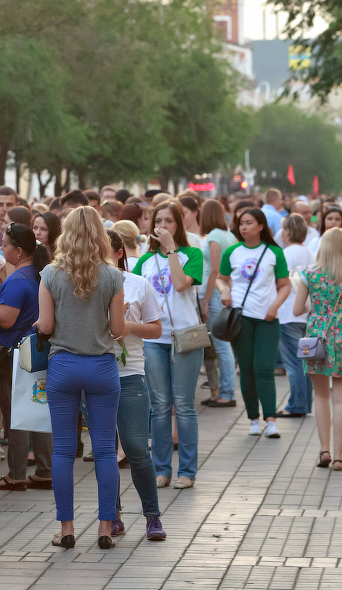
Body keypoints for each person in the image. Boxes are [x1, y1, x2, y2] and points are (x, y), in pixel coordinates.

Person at [37, 206, 125, 550]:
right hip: (101, 367)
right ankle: (105, 527)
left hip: (63, 366)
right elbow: (118, 330)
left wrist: (41, 325)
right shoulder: (113, 276)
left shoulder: (50, 274)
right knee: (104, 450)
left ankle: (66, 528)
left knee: (63, 449)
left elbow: (46, 326)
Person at [133, 201, 203, 489]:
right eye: (158, 221)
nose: (162, 226)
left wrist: (172, 250)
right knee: (159, 405)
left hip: (186, 336)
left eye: (169, 221)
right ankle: (161, 469)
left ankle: (187, 471)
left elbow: (181, 283)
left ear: (178, 225)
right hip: (154, 338)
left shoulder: (192, 254)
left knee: (183, 405)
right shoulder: (145, 260)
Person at [106, 230, 166, 542]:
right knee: (105, 450)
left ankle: (152, 516)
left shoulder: (138, 283)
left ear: (119, 253)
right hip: (97, 373)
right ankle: (112, 516)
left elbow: (156, 329)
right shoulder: (84, 284)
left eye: (104, 249)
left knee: (137, 448)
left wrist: (127, 325)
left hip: (130, 374)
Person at [292, 228, 342, 472]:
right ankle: (339, 457)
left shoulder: (308, 274)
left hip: (316, 335)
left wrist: (317, 306)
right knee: (341, 399)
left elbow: (297, 310)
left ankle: (324, 450)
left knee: (321, 395)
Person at [218, 208, 291, 440]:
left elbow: (285, 285)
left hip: (267, 318)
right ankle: (253, 419)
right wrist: (224, 290)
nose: (243, 227)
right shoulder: (232, 252)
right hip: (241, 318)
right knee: (247, 369)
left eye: (249, 223)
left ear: (261, 226)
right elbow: (221, 279)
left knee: (264, 369)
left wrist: (275, 306)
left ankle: (270, 420)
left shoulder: (274, 252)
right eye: (241, 223)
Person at [0, 224, 53, 492]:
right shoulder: (39, 275)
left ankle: (16, 475)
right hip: (36, 350)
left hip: (13, 354)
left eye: (4, 245)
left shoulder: (17, 280)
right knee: (38, 409)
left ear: (18, 251)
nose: (2, 249)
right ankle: (45, 471)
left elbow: (6, 319)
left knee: (16, 415)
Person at [198, 199, 237, 408]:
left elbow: (214, 270)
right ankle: (225, 390)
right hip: (221, 291)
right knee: (223, 344)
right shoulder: (228, 235)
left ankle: (226, 392)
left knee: (221, 345)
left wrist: (205, 300)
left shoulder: (214, 236)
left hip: (213, 293)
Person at [276, 214, 314, 416]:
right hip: (306, 313)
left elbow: (279, 283)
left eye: (283, 229)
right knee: (305, 361)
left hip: (288, 313)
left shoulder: (285, 254)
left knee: (293, 362)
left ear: (289, 231)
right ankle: (304, 402)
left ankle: (297, 405)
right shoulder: (309, 253)